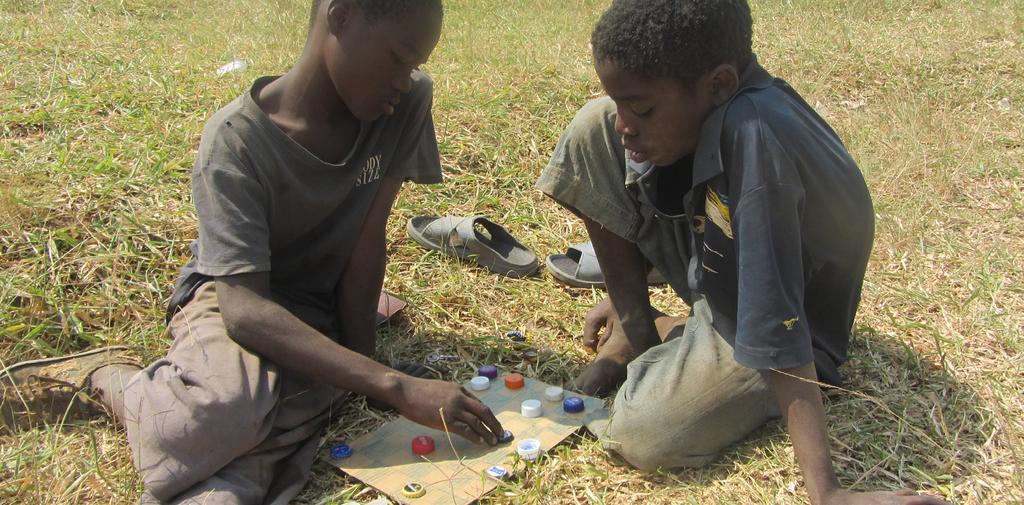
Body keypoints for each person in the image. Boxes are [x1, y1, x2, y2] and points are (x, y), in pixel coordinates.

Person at [0, 0, 504, 503]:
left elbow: (367, 240)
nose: (405, 79)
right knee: (221, 412)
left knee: (264, 437)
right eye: (397, 58)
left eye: (415, 65)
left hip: (314, 308)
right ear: (342, 15)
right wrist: (392, 385)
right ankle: (110, 382)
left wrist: (361, 370)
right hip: (231, 297)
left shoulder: (405, 102)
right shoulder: (236, 141)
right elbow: (243, 312)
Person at [536, 1, 948, 504]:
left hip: (785, 320)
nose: (626, 124)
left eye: (641, 110)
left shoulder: (758, 145)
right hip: (716, 253)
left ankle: (677, 339)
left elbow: (776, 315)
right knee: (590, 127)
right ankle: (638, 328)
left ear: (719, 84)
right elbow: (643, 151)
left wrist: (829, 493)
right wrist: (635, 284)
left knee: (646, 431)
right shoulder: (710, 108)